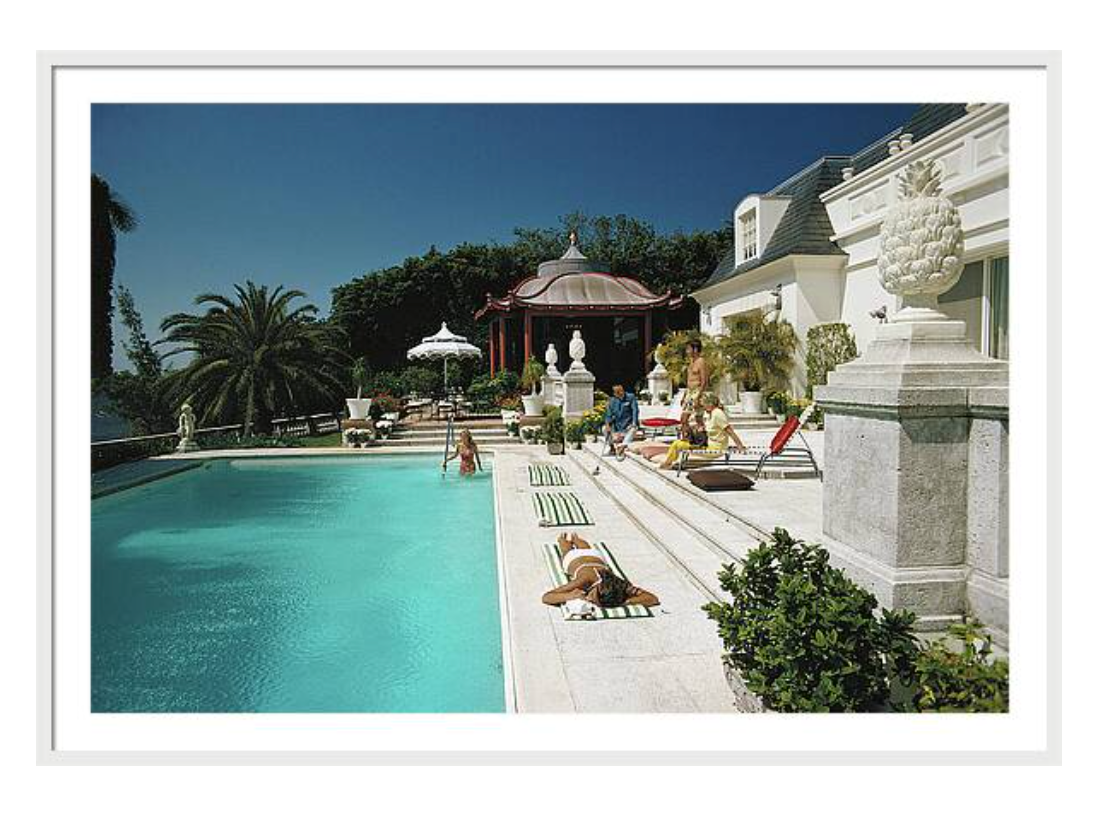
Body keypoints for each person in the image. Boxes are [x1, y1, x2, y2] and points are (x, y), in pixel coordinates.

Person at [541, 532, 660, 610]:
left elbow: (653, 599)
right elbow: (547, 597)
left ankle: (575, 538)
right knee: (565, 550)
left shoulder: (619, 585)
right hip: (573, 558)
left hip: (595, 556)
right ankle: (563, 539)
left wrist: (623, 602)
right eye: (592, 596)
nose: (589, 599)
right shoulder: (584, 580)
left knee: (585, 547)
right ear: (597, 587)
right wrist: (571, 595)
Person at [658, 393, 745, 470]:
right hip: (708, 444)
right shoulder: (712, 413)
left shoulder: (717, 414)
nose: (703, 407)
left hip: (715, 448)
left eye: (704, 405)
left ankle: (667, 464)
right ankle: (669, 462)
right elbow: (713, 429)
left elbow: (729, 430)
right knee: (679, 442)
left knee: (677, 444)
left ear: (710, 404)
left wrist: (740, 446)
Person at [603, 383, 640, 460]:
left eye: (621, 390)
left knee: (634, 428)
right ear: (614, 393)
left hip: (628, 425)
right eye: (617, 392)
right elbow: (608, 414)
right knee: (604, 429)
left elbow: (635, 411)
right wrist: (607, 425)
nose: (620, 393)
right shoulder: (612, 401)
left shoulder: (631, 397)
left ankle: (623, 447)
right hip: (617, 426)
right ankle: (612, 448)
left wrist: (634, 422)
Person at [680, 338, 710, 429]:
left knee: (684, 419)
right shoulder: (691, 362)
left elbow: (704, 381)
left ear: (695, 349)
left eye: (688, 349)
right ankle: (699, 439)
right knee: (698, 419)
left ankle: (688, 438)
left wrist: (698, 396)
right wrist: (684, 395)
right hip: (690, 392)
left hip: (697, 392)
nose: (687, 351)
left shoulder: (701, 362)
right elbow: (689, 380)